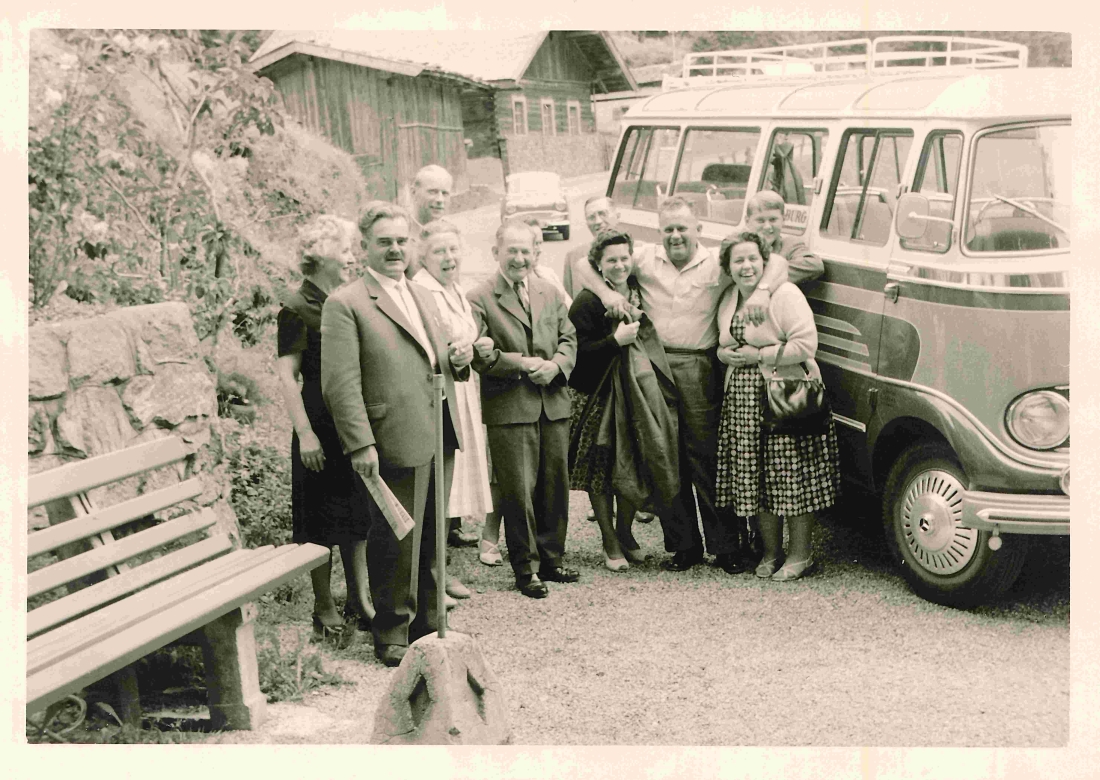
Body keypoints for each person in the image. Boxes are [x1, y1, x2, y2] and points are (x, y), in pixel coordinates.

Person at [573, 196, 798, 574]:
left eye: (683, 228)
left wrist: (761, 292)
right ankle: (684, 546)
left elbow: (776, 261)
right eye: (668, 229)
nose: (676, 235)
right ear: (660, 232)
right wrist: (609, 293)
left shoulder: (717, 262)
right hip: (652, 363)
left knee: (706, 456)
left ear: (698, 229)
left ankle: (726, 547)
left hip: (699, 365)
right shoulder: (644, 257)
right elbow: (583, 263)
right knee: (664, 455)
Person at [321, 201, 473, 667]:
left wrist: (460, 360)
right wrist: (360, 443)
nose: (395, 249)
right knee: (394, 540)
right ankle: (391, 632)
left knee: (430, 535)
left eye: (402, 241)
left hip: (435, 430)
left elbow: (433, 359)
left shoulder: (423, 294)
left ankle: (427, 623)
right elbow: (340, 383)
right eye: (384, 241)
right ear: (363, 246)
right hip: (389, 436)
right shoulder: (345, 303)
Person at [714, 231, 841, 581]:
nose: (746, 266)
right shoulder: (728, 297)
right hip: (742, 402)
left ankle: (801, 555)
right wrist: (723, 353)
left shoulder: (785, 294)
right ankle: (771, 552)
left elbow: (805, 345)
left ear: (765, 261)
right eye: (737, 260)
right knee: (758, 480)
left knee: (791, 478)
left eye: (753, 258)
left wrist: (759, 356)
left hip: (784, 397)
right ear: (728, 267)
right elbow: (724, 343)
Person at [275, 214, 374, 644]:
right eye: (345, 251)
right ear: (318, 256)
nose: (351, 259)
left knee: (356, 514)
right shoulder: (295, 308)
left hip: (347, 421)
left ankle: (359, 598)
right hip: (317, 423)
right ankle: (323, 604)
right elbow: (286, 377)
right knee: (317, 521)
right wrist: (306, 435)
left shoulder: (347, 302)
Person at [467, 221, 579, 598]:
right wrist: (523, 364)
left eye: (525, 251)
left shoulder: (549, 290)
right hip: (511, 406)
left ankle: (552, 558)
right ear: (496, 252)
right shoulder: (479, 297)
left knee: (554, 485)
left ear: (536, 254)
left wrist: (558, 365)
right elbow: (479, 355)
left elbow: (569, 336)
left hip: (553, 403)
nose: (519, 258)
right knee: (518, 490)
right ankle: (526, 568)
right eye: (511, 250)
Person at [568, 229, 679, 570]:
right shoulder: (587, 301)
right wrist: (615, 341)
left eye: (623, 259)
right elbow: (579, 355)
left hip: (633, 394)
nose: (619, 265)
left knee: (632, 462)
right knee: (601, 472)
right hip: (597, 397)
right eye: (611, 260)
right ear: (598, 265)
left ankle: (625, 530)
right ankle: (608, 539)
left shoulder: (635, 292)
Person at [411, 220, 496, 564]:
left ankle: (441, 567)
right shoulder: (422, 290)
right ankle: (433, 570)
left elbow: (463, 337)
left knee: (453, 483)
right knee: (440, 483)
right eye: (439, 251)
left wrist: (478, 346)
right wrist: (453, 355)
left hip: (461, 388)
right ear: (424, 256)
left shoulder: (454, 288)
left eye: (453, 249)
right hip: (438, 394)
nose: (448, 257)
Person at [561, 196, 619, 299]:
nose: (597, 221)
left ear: (617, 216)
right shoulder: (573, 257)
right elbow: (569, 301)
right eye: (591, 217)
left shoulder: (637, 251)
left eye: (603, 214)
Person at [404, 164, 454, 280]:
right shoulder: (402, 234)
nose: (440, 200)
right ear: (413, 193)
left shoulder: (451, 234)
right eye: (432, 192)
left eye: (445, 193)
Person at [520, 216, 572, 306]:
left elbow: (569, 307)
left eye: (540, 243)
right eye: (535, 244)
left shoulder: (549, 274)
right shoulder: (516, 281)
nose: (540, 250)